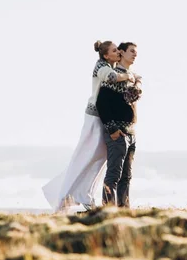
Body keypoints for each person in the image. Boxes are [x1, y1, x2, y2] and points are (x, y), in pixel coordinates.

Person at [42, 40, 135, 212]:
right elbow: (111, 78)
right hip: (94, 118)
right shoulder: (101, 66)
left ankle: (85, 195)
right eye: (115, 51)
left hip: (101, 119)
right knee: (86, 156)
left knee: (98, 159)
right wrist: (129, 76)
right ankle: (64, 195)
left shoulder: (111, 65)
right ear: (106, 55)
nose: (118, 53)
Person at [96, 42, 142, 208]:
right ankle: (108, 210)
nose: (135, 54)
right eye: (131, 51)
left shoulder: (133, 77)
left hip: (131, 133)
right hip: (118, 133)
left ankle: (124, 211)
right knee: (114, 175)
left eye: (136, 52)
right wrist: (112, 129)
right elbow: (102, 103)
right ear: (121, 53)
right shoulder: (114, 75)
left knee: (126, 176)